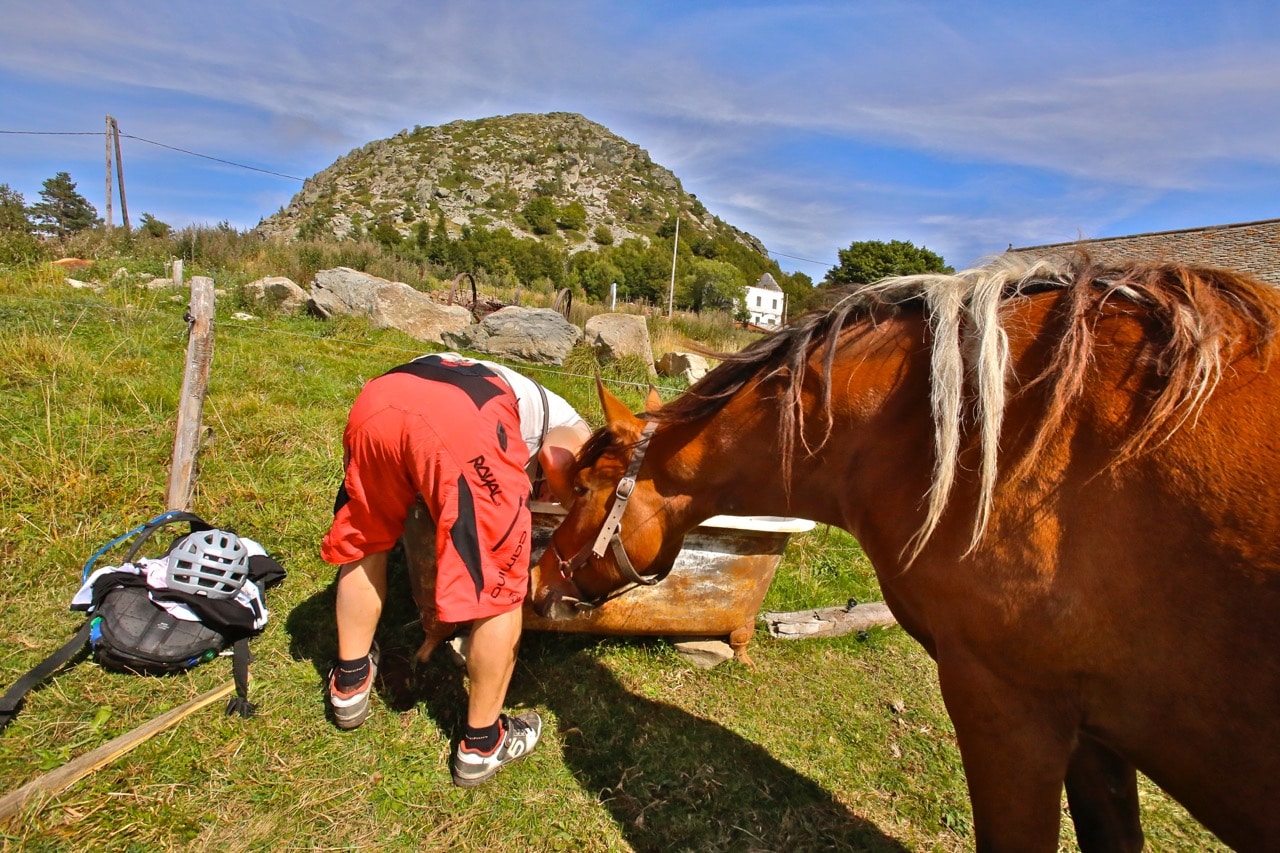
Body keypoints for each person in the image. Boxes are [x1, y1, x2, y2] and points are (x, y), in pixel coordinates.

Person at [320, 351, 591, 787]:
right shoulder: (573, 425)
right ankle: (482, 744)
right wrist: (567, 505)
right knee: (500, 589)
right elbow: (562, 458)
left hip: (381, 399)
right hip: (467, 421)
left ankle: (349, 684)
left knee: (366, 544)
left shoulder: (520, 392)